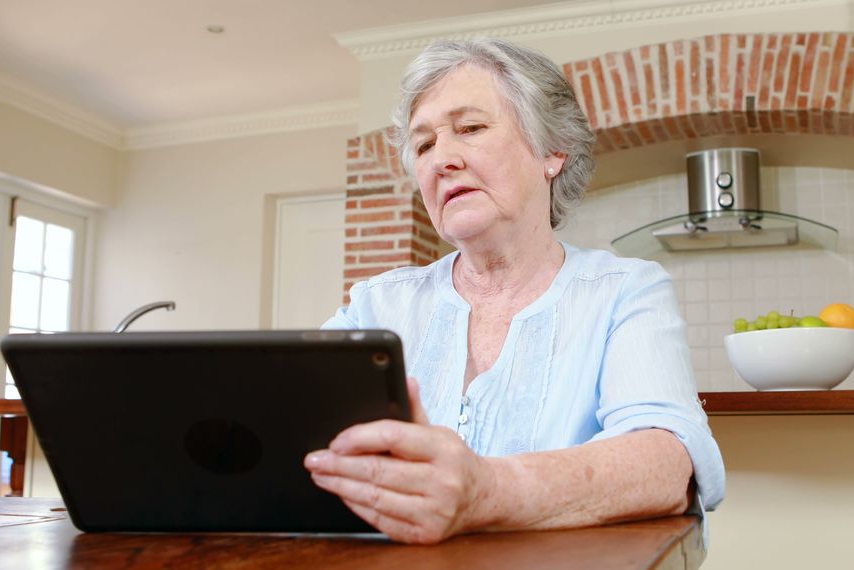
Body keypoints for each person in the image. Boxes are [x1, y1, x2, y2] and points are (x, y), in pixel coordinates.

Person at [307, 37, 724, 545]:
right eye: (424, 145)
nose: (441, 159)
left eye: (471, 128)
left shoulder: (624, 292)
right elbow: (299, 441)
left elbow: (666, 461)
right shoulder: (376, 305)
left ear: (552, 150)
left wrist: (485, 490)